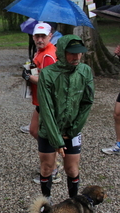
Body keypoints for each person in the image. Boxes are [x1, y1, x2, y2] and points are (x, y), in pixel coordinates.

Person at [37, 35, 94, 199]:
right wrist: (56, 139)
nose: (76, 57)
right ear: (62, 52)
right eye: (71, 53)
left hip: (72, 129)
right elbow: (46, 109)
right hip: (49, 130)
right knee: (47, 166)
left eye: (79, 53)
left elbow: (87, 102)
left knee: (72, 168)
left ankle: (73, 203)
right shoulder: (48, 74)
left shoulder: (85, 71)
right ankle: (46, 203)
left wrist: (74, 129)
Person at [20, 23, 61, 184]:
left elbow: (48, 82)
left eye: (43, 36)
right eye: (37, 36)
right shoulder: (41, 52)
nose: (40, 39)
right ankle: (52, 160)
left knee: (46, 136)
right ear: (33, 37)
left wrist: (29, 77)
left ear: (50, 36)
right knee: (34, 130)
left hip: (48, 103)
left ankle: (53, 169)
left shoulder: (49, 55)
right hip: (41, 101)